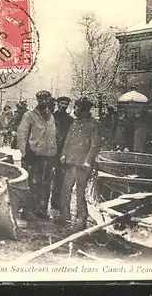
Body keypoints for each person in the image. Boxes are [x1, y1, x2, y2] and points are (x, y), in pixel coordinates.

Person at [58, 97, 101, 230]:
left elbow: (95, 145)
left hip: (83, 165)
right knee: (65, 189)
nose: (74, 109)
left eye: (76, 107)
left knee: (80, 192)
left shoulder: (94, 124)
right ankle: (64, 216)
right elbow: (68, 140)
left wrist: (88, 161)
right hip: (71, 162)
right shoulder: (75, 122)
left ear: (83, 109)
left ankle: (81, 220)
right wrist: (64, 154)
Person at [16, 90, 57, 221]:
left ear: (49, 100)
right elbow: (22, 134)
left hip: (48, 155)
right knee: (32, 184)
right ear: (38, 101)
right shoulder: (30, 115)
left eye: (46, 100)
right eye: (41, 100)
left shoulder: (51, 116)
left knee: (44, 184)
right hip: (33, 155)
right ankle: (27, 211)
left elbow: (52, 135)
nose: (44, 102)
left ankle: (40, 210)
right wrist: (23, 153)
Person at [51, 96, 74, 213]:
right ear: (57, 104)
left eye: (66, 104)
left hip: (63, 151)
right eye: (61, 103)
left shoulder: (70, 120)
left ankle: (57, 203)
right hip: (51, 150)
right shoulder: (52, 117)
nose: (63, 106)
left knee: (60, 177)